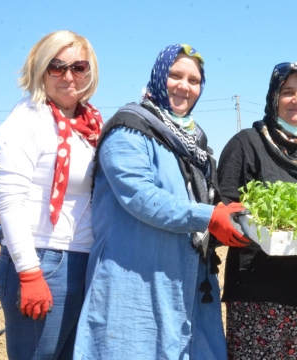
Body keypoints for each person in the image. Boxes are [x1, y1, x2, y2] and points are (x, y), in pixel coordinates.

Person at [73, 44, 247, 360]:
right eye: (175, 75)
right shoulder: (129, 128)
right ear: (158, 77)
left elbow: (207, 198)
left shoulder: (196, 142)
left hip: (187, 279)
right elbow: (140, 196)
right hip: (134, 277)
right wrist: (209, 217)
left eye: (194, 80)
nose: (184, 86)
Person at [217, 62, 297, 359]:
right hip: (260, 296)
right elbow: (223, 213)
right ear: (274, 97)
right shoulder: (247, 144)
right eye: (288, 91)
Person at [0, 30, 102, 359]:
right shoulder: (28, 119)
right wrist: (28, 271)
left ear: (90, 72)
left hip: (84, 261)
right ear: (41, 70)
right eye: (57, 66)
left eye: (79, 67)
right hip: (43, 261)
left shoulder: (90, 124)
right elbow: (9, 200)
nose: (68, 76)